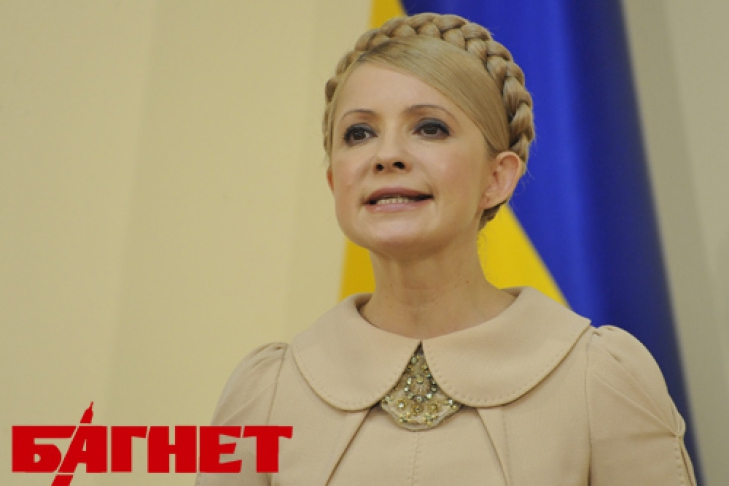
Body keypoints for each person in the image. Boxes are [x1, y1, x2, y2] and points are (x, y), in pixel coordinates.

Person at [196, 12, 696, 485]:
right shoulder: (263, 393)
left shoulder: (600, 378)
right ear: (334, 182)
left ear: (497, 178)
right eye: (359, 133)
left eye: (429, 128)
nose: (386, 155)